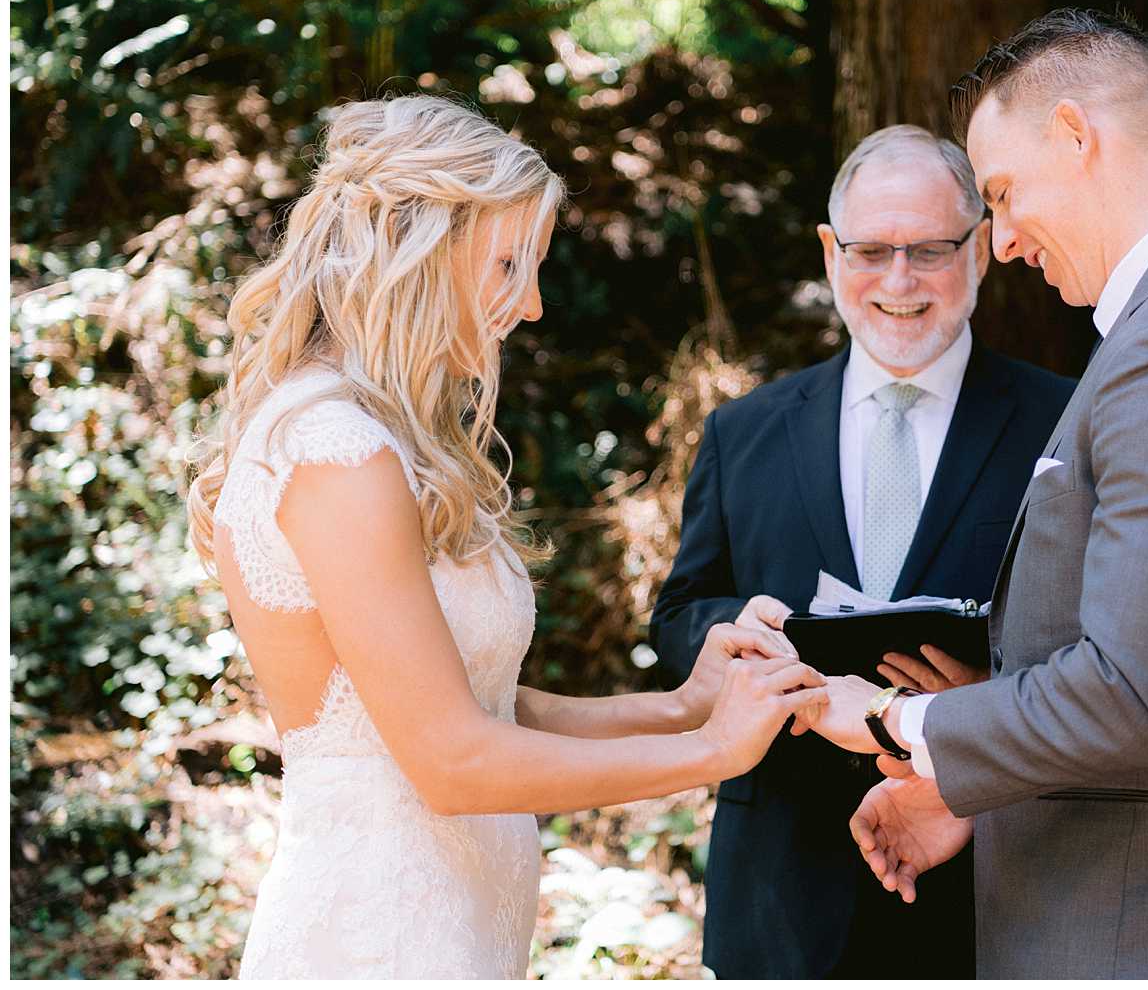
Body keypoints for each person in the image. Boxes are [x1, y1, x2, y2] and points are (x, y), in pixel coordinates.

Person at [185, 95, 829, 979]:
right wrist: (708, 755)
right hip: (379, 942)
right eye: (507, 265)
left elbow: (489, 708)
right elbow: (453, 761)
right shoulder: (334, 450)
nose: (528, 306)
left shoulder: (387, 444)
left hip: (457, 931)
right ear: (416, 247)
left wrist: (687, 705)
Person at [809, 9, 1148, 978]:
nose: (1008, 240)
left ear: (1077, 133)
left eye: (1005, 193)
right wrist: (972, 786)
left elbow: (1131, 696)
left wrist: (892, 718)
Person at [649, 125, 1075, 979]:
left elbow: (1107, 644)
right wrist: (748, 633)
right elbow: (676, 620)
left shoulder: (1062, 423)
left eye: (929, 250)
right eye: (872, 251)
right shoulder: (745, 432)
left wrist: (997, 689)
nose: (899, 280)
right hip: (781, 888)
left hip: (990, 887)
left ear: (982, 248)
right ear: (828, 251)